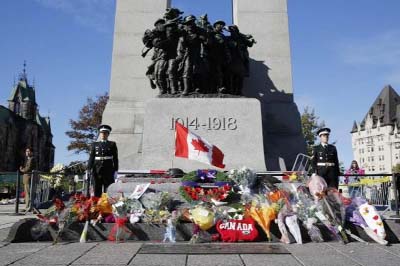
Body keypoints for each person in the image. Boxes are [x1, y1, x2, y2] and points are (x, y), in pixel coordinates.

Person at [87, 125, 119, 197]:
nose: (103, 134)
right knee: (96, 188)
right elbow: (91, 157)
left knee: (108, 188)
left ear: (108, 134)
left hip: (108, 169)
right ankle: (97, 205)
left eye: (105, 133)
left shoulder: (112, 144)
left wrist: (116, 170)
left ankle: (107, 205)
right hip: (97, 169)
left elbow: (115, 158)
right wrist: (88, 168)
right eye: (101, 133)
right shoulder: (95, 144)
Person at [19, 147, 36, 213]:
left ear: (32, 152)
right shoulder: (29, 159)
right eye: (26, 151)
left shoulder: (31, 159)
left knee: (28, 193)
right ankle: (27, 206)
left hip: (28, 178)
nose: (27, 152)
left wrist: (22, 169)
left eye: (28, 151)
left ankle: (28, 207)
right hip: (26, 178)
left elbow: (28, 169)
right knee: (26, 193)